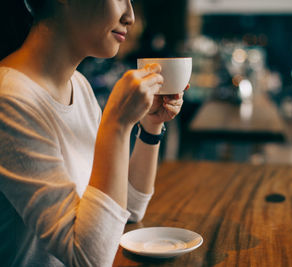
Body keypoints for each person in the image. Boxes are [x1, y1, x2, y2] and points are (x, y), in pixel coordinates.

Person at [0, 0, 186, 266]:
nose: (130, 16)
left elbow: (127, 210)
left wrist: (151, 126)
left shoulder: (79, 86)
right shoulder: (10, 100)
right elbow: (88, 258)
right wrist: (117, 125)